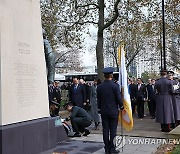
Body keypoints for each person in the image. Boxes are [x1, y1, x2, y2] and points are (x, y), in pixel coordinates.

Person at [97, 67, 124, 154]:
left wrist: (100, 108)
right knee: (113, 131)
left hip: (104, 111)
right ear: (111, 75)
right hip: (113, 111)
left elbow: (99, 99)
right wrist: (121, 106)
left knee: (105, 130)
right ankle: (112, 149)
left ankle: (107, 149)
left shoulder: (100, 87)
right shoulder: (115, 86)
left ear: (104, 76)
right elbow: (118, 98)